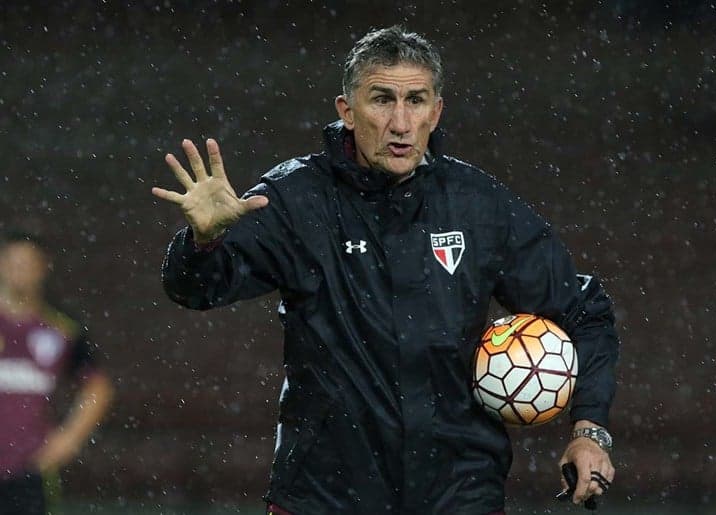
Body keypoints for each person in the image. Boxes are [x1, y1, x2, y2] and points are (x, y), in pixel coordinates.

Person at [153, 25, 619, 514]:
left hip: (458, 494)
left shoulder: (477, 206)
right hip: (326, 496)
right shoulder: (298, 200)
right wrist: (203, 242)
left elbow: (583, 310)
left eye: (416, 101)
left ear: (436, 112)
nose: (400, 122)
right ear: (347, 111)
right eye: (382, 100)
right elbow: (195, 289)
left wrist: (590, 430)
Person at [0, 231, 114, 515]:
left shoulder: (61, 328)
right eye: (14, 264)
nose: (20, 272)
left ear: (43, 268)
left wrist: (68, 440)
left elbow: (98, 389)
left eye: (27, 264)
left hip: (28, 470)